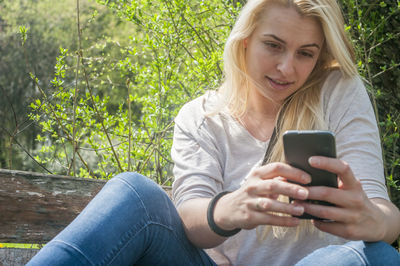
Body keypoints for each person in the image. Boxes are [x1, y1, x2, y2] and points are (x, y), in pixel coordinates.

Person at [28, 0, 400, 265]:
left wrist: (374, 219)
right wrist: (234, 207)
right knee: (133, 192)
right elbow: (188, 216)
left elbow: (385, 215)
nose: (287, 68)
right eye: (273, 46)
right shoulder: (200, 116)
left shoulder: (339, 91)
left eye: (306, 53)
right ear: (244, 41)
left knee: (377, 254)